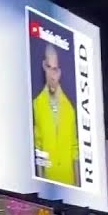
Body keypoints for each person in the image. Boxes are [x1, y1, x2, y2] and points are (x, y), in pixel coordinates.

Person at [32, 44, 80, 186]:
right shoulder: (36, 104)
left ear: (60, 71)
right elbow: (38, 147)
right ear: (43, 66)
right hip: (48, 184)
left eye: (56, 69)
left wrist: (78, 187)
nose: (53, 75)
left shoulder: (69, 107)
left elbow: (75, 150)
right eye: (49, 67)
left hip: (69, 183)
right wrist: (41, 184)